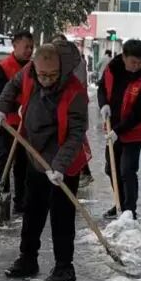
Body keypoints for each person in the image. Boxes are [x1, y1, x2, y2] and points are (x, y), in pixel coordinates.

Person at [0, 44, 89, 281]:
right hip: (35, 151)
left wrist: (59, 166)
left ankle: (64, 267)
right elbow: (12, 86)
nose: (45, 80)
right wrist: (1, 108)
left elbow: (76, 134)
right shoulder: (29, 72)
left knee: (61, 216)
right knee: (32, 210)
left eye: (52, 76)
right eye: (42, 75)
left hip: (63, 159)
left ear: (61, 70)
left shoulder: (75, 92)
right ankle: (28, 259)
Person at [97, 39, 141, 219]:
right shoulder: (112, 69)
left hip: (134, 131)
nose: (136, 66)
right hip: (112, 127)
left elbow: (140, 112)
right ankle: (119, 203)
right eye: (132, 62)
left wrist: (119, 131)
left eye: (140, 62)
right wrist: (103, 105)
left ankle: (129, 210)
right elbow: (101, 88)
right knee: (110, 168)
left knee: (126, 170)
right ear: (124, 57)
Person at [0, 30, 34, 213]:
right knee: (4, 162)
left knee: (24, 164)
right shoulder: (3, 67)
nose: (29, 51)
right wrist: (16, 105)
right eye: (26, 47)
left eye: (31, 47)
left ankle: (22, 202)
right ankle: (1, 199)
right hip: (8, 124)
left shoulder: (35, 68)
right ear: (15, 46)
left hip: (27, 126)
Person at [51, 35, 94, 185]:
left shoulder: (77, 66)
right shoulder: (48, 66)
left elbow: (80, 84)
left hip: (73, 109)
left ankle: (82, 172)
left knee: (76, 141)